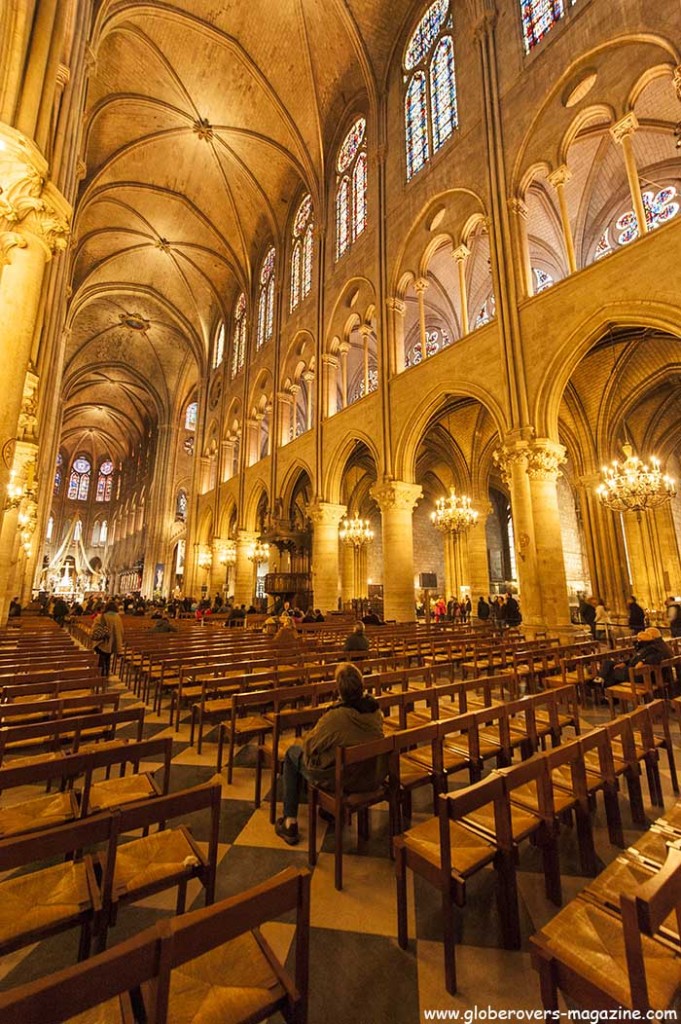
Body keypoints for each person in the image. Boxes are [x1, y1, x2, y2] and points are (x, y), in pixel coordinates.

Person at [274, 662, 385, 845]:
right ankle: (326, 810)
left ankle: (289, 821)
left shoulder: (337, 716)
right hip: (369, 774)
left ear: (339, 689)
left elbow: (309, 745)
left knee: (293, 753)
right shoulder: (375, 711)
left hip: (343, 779)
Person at [597, 627, 673, 689]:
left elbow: (652, 657)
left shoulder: (654, 648)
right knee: (609, 664)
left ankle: (604, 688)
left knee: (610, 671)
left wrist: (643, 661)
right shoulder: (661, 645)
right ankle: (601, 683)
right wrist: (625, 663)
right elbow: (637, 657)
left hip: (640, 675)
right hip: (638, 670)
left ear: (651, 637)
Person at [92, 600, 124, 677]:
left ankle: (101, 676)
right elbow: (121, 630)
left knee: (101, 660)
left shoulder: (101, 617)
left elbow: (94, 630)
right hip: (113, 642)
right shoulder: (118, 617)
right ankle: (106, 675)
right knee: (108, 658)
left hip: (103, 642)